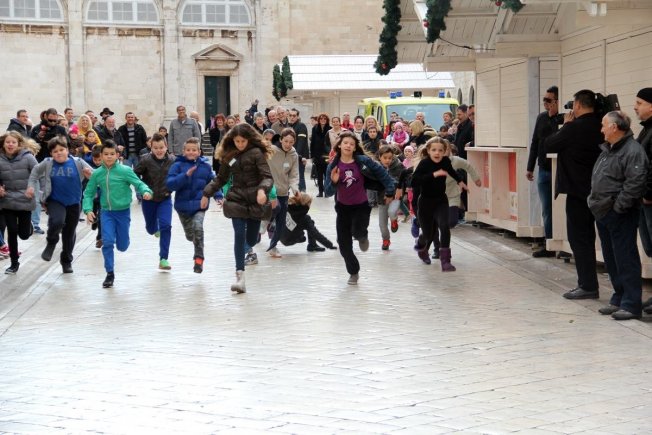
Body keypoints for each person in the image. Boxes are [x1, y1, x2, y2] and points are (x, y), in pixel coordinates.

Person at [588, 111, 648, 320]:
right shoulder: (609, 149)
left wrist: (618, 208)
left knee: (625, 258)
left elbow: (635, 182)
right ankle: (619, 297)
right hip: (604, 212)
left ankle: (631, 304)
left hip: (619, 214)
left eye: (603, 125)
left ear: (614, 127)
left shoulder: (632, 150)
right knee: (612, 258)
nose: (601, 129)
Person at [201, 123, 274, 294]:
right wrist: (206, 194)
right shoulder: (229, 155)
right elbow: (220, 179)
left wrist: (262, 190)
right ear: (232, 140)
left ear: (249, 139)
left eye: (243, 141)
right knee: (239, 235)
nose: (240, 144)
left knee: (252, 239)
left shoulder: (256, 153)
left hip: (255, 200)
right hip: (236, 199)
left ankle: (249, 246)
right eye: (237, 141)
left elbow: (267, 177)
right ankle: (240, 277)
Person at [545, 89, 603, 300]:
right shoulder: (602, 125)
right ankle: (617, 291)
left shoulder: (574, 128)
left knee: (580, 239)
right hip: (601, 191)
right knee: (602, 239)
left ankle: (587, 285)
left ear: (577, 105)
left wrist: (566, 125)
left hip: (578, 192)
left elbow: (548, 144)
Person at [324, 131, 396, 285]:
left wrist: (390, 190)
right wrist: (334, 181)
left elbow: (383, 174)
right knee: (343, 244)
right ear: (339, 145)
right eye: (345, 143)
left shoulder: (363, 161)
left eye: (352, 144)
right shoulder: (333, 166)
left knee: (357, 231)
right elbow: (328, 192)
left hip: (361, 206)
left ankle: (362, 236)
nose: (348, 146)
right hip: (342, 209)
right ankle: (353, 272)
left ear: (355, 147)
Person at [82, 141, 153, 288]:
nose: (109, 157)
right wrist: (88, 210)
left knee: (122, 246)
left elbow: (139, 183)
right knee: (107, 242)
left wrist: (146, 191)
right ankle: (110, 273)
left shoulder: (125, 171)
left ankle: (123, 241)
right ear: (101, 156)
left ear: (117, 155)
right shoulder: (97, 174)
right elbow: (88, 193)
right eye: (106, 154)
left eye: (112, 154)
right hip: (106, 212)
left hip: (123, 212)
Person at [27, 136, 93, 273]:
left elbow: (95, 175)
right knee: (57, 221)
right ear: (51, 153)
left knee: (69, 233)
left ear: (67, 150)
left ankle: (66, 261)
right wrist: (31, 186)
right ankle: (51, 242)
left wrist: (89, 175)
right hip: (55, 200)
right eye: (55, 151)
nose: (59, 153)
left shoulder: (78, 162)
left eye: (61, 150)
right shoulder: (47, 163)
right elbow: (34, 173)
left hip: (74, 202)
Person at [412, 138, 467, 270]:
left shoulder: (445, 161)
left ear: (444, 152)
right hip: (425, 202)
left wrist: (460, 181)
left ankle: (445, 261)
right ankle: (421, 246)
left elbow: (451, 171)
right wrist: (434, 174)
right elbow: (414, 181)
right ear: (428, 151)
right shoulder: (424, 164)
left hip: (441, 200)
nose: (437, 153)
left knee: (444, 226)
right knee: (428, 234)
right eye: (434, 150)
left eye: (440, 150)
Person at [165, 137, 213, 273]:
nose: (191, 152)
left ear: (199, 152)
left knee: (198, 228)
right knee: (190, 235)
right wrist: (185, 176)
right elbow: (170, 184)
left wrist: (218, 196)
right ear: (184, 151)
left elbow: (213, 183)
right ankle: (196, 240)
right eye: (188, 150)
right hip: (183, 207)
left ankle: (199, 259)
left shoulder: (205, 166)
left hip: (199, 205)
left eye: (194, 150)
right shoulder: (177, 165)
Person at [526, 86, 563, 257]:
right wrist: (530, 167)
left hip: (559, 169)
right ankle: (549, 243)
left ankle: (562, 243)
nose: (545, 103)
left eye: (549, 100)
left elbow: (559, 139)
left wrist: (555, 117)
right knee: (547, 209)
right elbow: (535, 142)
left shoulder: (563, 119)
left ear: (557, 101)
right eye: (544, 100)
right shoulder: (541, 118)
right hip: (543, 169)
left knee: (560, 207)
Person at [135, 133, 176, 270]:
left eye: (161, 147)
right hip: (149, 199)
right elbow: (135, 175)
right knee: (150, 228)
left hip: (165, 198)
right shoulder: (145, 160)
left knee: (166, 226)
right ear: (151, 148)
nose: (159, 150)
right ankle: (154, 229)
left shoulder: (173, 160)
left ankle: (164, 258)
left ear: (166, 147)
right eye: (156, 148)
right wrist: (142, 189)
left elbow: (179, 175)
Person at [0, 132, 38, 274]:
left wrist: (32, 186)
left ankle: (28, 226)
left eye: (13, 142)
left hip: (25, 199)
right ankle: (14, 263)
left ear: (19, 144)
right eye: (7, 142)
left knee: (24, 235)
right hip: (7, 199)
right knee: (12, 231)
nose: (10, 144)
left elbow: (39, 173)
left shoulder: (28, 157)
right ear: (3, 144)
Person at [266, 128, 300, 258]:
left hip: (284, 191)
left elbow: (294, 174)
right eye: (286, 141)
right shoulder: (271, 151)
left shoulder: (293, 155)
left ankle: (273, 247)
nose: (288, 144)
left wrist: (295, 188)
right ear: (281, 139)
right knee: (275, 210)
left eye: (291, 142)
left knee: (281, 223)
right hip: (270, 190)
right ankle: (265, 221)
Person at [376, 145, 403, 251]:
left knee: (392, 212)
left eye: (390, 158)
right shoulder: (376, 168)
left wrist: (400, 188)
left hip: (394, 197)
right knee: (382, 225)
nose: (387, 160)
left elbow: (404, 178)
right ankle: (386, 240)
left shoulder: (398, 166)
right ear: (380, 157)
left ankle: (394, 220)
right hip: (382, 199)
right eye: (385, 158)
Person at [288, 108, 310, 192]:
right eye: (290, 115)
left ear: (297, 116)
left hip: (299, 156)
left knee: (300, 176)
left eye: (294, 116)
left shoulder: (301, 126)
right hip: (291, 155)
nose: (292, 117)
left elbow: (301, 142)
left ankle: (302, 195)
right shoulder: (289, 126)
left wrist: (297, 155)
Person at [310, 113, 331, 197]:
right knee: (319, 175)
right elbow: (312, 142)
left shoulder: (330, 129)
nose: (323, 120)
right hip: (317, 155)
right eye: (321, 119)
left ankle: (326, 191)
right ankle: (320, 191)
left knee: (327, 174)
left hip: (327, 155)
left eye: (324, 119)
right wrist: (312, 155)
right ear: (319, 120)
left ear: (327, 120)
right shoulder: (314, 128)